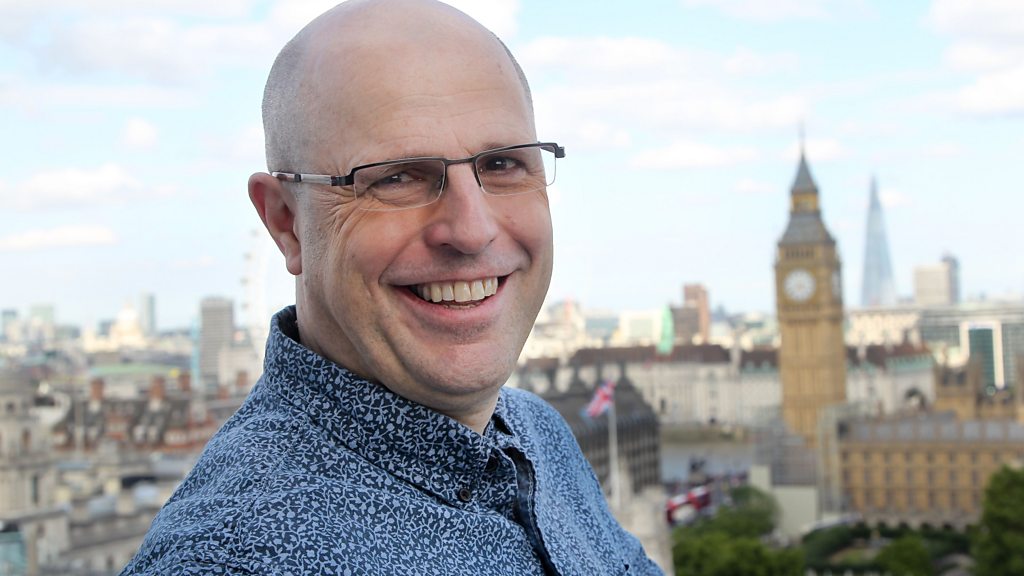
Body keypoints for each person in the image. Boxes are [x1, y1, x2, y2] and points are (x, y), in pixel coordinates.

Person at [121, 0, 662, 573]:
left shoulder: (537, 432)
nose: (472, 230)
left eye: (502, 164)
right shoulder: (234, 556)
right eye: (398, 177)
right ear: (286, 222)